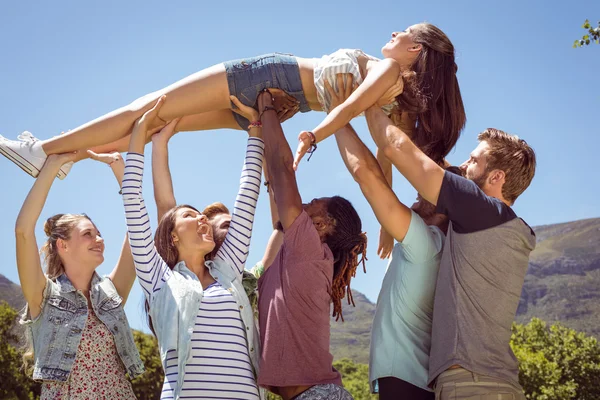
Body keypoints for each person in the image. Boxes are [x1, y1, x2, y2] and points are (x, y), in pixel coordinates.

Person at [0, 23, 464, 182]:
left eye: (403, 32)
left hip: (267, 77)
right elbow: (386, 154)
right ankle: (66, 158)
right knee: (165, 125)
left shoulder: (385, 73)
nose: (393, 33)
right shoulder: (397, 101)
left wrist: (315, 136)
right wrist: (387, 225)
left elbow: (345, 112)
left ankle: (43, 149)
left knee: (150, 106)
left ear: (415, 51)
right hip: (276, 105)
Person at [363, 96, 537, 399]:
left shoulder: (483, 212)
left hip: (475, 386)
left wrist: (364, 99)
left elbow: (398, 150)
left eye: (474, 160)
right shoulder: (493, 224)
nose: (463, 165)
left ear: (496, 177)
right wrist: (404, 116)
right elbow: (433, 162)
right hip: (482, 383)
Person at [122, 97, 265, 399]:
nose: (201, 217)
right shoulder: (159, 278)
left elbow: (248, 196)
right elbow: (133, 201)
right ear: (172, 236)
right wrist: (140, 130)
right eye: (189, 215)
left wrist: (254, 128)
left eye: (202, 215)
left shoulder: (228, 270)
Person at [328, 75, 459, 399]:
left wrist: (337, 112)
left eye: (426, 193)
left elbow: (368, 178)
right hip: (408, 383)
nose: (417, 193)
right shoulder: (435, 248)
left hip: (407, 386)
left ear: (444, 210)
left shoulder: (426, 245)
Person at [255, 89, 367, 400]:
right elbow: (275, 191)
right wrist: (257, 128)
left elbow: (281, 168)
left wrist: (268, 109)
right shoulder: (297, 253)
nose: (307, 201)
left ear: (323, 226)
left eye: (316, 203)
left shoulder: (312, 251)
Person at [15, 148, 144, 399]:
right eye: (88, 234)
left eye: (98, 233)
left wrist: (119, 168)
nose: (100, 239)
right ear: (62, 245)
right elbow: (23, 230)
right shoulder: (43, 295)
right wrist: (53, 166)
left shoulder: (111, 293)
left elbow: (138, 233)